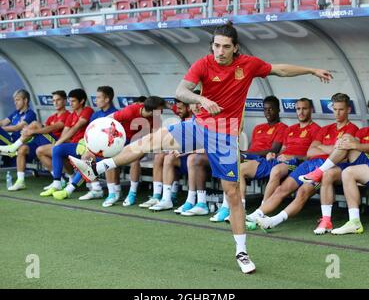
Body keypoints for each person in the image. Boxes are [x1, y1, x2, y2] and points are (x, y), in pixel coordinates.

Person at [69, 21, 332, 274]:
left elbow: (279, 69)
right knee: (148, 142)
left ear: (235, 48)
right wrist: (202, 99)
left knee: (232, 193)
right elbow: (182, 91)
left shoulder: (248, 65)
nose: (220, 52)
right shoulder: (203, 64)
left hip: (226, 136)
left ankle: (241, 251)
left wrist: (311, 70)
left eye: (225, 47)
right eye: (216, 46)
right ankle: (98, 167)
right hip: (198, 127)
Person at [255, 93, 358, 232]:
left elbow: (342, 154)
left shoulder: (352, 129)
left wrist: (322, 147)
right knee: (282, 189)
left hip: (329, 166)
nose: (337, 113)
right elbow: (310, 152)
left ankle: (273, 221)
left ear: (348, 110)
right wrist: (331, 147)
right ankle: (256, 216)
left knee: (302, 192)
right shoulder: (325, 128)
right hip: (309, 163)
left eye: (341, 109)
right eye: (335, 109)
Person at [246, 98, 320, 222]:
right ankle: (257, 210)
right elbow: (283, 150)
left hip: (298, 163)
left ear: (311, 110)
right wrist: (273, 155)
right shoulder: (290, 129)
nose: (301, 112)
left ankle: (261, 210)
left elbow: (311, 156)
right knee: (249, 166)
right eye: (298, 109)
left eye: (304, 109)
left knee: (276, 170)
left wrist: (293, 157)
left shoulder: (317, 129)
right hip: (281, 161)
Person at [52, 86, 119, 204]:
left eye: (98, 97)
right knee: (59, 149)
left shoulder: (116, 114)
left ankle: (74, 189)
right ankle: (58, 182)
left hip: (109, 150)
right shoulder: (96, 115)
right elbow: (90, 133)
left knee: (87, 157)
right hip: (91, 148)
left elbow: (115, 137)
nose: (96, 100)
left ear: (107, 99)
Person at [0, 90, 70, 191]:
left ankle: (13, 147)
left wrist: (33, 130)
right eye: (54, 100)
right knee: (23, 149)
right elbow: (45, 127)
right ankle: (20, 181)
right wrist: (31, 131)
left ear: (64, 101)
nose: (55, 102)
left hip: (57, 143)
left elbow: (53, 128)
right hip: (42, 142)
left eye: (58, 100)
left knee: (34, 124)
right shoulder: (52, 117)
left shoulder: (67, 115)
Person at [139, 99, 194, 209]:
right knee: (159, 155)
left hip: (195, 156)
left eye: (180, 109)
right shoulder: (182, 120)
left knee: (169, 158)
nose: (177, 111)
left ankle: (168, 197)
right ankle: (157, 196)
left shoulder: (196, 119)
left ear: (189, 107)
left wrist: (179, 150)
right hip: (183, 155)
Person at [39, 89, 94, 196]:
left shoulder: (87, 110)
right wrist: (59, 142)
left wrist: (58, 143)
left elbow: (76, 127)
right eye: (70, 101)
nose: (70, 103)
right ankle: (58, 182)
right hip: (73, 145)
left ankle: (62, 183)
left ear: (82, 101)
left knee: (58, 148)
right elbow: (65, 132)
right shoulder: (71, 115)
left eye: (73, 101)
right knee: (57, 150)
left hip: (83, 146)